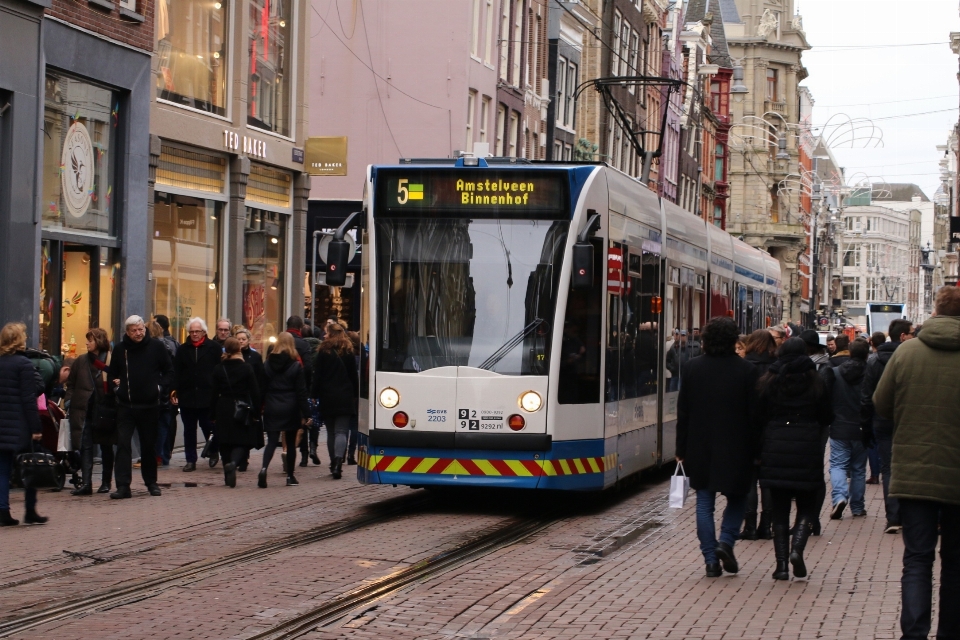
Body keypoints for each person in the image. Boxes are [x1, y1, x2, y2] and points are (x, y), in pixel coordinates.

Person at [873, 286, 960, 640]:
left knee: (918, 559)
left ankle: (914, 632)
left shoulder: (907, 352)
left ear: (936, 311)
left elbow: (881, 403)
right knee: (955, 564)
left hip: (913, 472)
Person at [675, 317, 759, 577]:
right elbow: (754, 414)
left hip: (700, 445)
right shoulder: (747, 370)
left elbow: (684, 412)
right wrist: (757, 449)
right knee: (738, 497)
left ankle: (710, 559)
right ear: (735, 340)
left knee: (704, 502)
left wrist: (681, 449)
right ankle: (726, 542)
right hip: (737, 445)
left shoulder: (691, 368)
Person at [757, 338, 833, 580]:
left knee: (779, 510)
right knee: (806, 505)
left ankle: (781, 566)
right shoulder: (815, 380)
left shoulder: (770, 379)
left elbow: (759, 414)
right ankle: (797, 550)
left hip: (776, 445)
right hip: (806, 447)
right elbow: (827, 415)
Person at [107, 316, 173, 499]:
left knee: (148, 446)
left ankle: (151, 482)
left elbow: (169, 370)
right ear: (127, 332)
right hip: (126, 405)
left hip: (150, 405)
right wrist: (117, 388)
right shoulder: (121, 349)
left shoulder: (156, 347)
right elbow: (112, 372)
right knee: (123, 445)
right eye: (134, 330)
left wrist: (159, 388)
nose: (138, 333)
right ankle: (122, 486)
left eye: (140, 329)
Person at [861, 318, 912, 534]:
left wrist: (866, 425)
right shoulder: (911, 357)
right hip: (907, 419)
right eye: (911, 333)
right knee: (909, 467)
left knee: (888, 468)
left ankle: (893, 517)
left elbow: (866, 396)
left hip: (882, 421)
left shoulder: (873, 361)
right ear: (903, 336)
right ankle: (909, 516)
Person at [0, 323, 47, 526]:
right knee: (31, 465)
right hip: (19, 425)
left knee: (2, 470)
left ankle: (2, 511)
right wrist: (36, 428)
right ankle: (30, 509)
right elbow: (29, 399)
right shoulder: (24, 364)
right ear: (19, 340)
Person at [822, 339, 869, 520]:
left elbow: (827, 398)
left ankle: (839, 497)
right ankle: (857, 507)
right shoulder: (870, 374)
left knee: (837, 465)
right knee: (858, 469)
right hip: (861, 426)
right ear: (866, 354)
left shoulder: (834, 373)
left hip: (840, 426)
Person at [65, 328, 115, 495]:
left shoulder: (110, 360)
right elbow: (71, 384)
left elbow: (117, 381)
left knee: (106, 445)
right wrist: (69, 401)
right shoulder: (81, 361)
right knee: (85, 446)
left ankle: (106, 482)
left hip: (104, 409)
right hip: (84, 409)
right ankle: (86, 483)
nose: (87, 343)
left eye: (90, 340)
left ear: (99, 342)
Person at [739, 328, 778, 540]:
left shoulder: (744, 368)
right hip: (772, 431)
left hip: (747, 431)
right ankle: (767, 525)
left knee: (750, 480)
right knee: (768, 481)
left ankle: (750, 525)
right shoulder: (777, 368)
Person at [172, 318, 223, 471]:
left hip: (207, 395)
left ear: (203, 332)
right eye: (192, 331)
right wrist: (174, 390)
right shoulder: (182, 349)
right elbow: (177, 371)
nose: (194, 334)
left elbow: (219, 370)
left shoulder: (213, 348)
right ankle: (190, 460)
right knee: (189, 430)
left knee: (208, 426)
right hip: (187, 395)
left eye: (197, 331)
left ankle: (213, 450)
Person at [260, 333, 311, 487]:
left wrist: (259, 407)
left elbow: (262, 387)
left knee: (271, 441)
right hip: (290, 405)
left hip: (272, 404)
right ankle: (290, 476)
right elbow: (301, 392)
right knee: (289, 442)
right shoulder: (295, 365)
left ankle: (263, 468)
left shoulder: (267, 364)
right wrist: (306, 413)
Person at [209, 338, 260, 488]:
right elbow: (255, 391)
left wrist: (212, 414)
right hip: (242, 407)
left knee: (224, 441)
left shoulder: (219, 368)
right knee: (244, 440)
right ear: (239, 349)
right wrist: (256, 411)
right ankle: (234, 462)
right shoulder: (246, 368)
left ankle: (227, 474)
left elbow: (213, 393)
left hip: (223, 406)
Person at [311, 322, 359, 480]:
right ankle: (339, 461)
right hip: (345, 395)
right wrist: (356, 394)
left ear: (330, 334)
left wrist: (314, 394)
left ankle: (333, 463)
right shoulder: (349, 351)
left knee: (331, 431)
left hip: (328, 395)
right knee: (342, 431)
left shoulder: (324, 351)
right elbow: (353, 375)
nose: (324, 335)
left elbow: (317, 375)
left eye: (326, 333)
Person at [153, 315, 180, 458]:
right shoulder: (173, 343)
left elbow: (170, 369)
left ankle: (161, 454)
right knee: (167, 420)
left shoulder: (163, 345)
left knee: (164, 421)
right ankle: (165, 453)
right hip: (168, 388)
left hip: (164, 389)